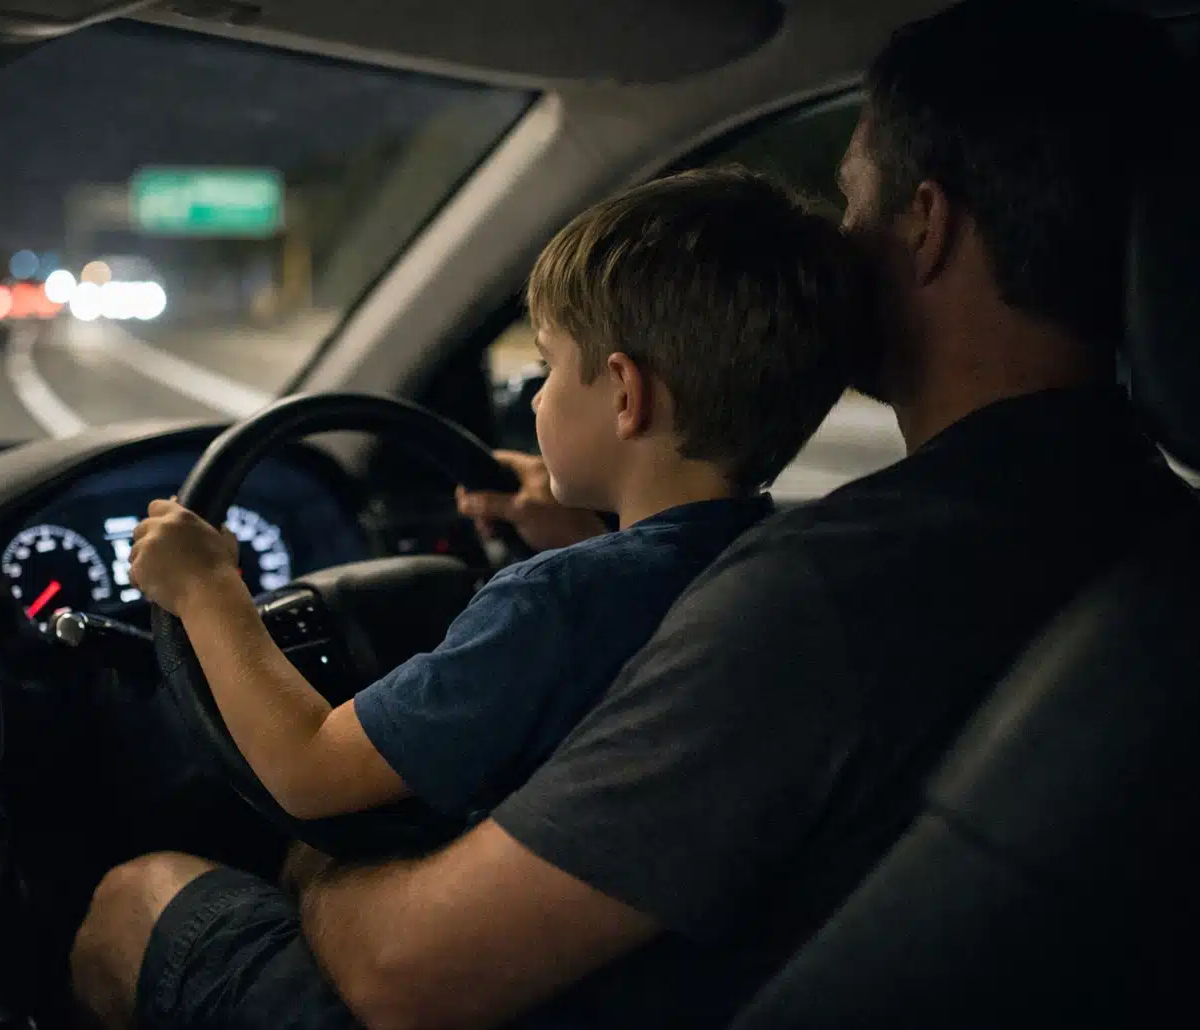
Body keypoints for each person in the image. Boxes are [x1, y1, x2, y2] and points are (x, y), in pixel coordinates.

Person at [69, 4, 1196, 1029]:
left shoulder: (827, 594)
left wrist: (324, 850)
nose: (836, 247)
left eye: (851, 204)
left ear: (927, 228)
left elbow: (406, 979)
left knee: (136, 900)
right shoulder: (1139, 522)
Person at [126, 167, 865, 828]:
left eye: (547, 367)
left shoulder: (554, 604)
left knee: (135, 890)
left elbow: (309, 772)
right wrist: (582, 535)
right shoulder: (768, 560)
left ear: (626, 395)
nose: (537, 398)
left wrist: (206, 588)